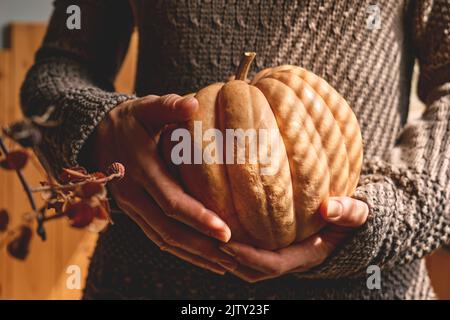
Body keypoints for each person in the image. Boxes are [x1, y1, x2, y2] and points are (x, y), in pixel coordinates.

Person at [20, 0, 449, 299]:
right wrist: (99, 127)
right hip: (145, 279)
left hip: (369, 283)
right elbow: (60, 66)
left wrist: (389, 215)